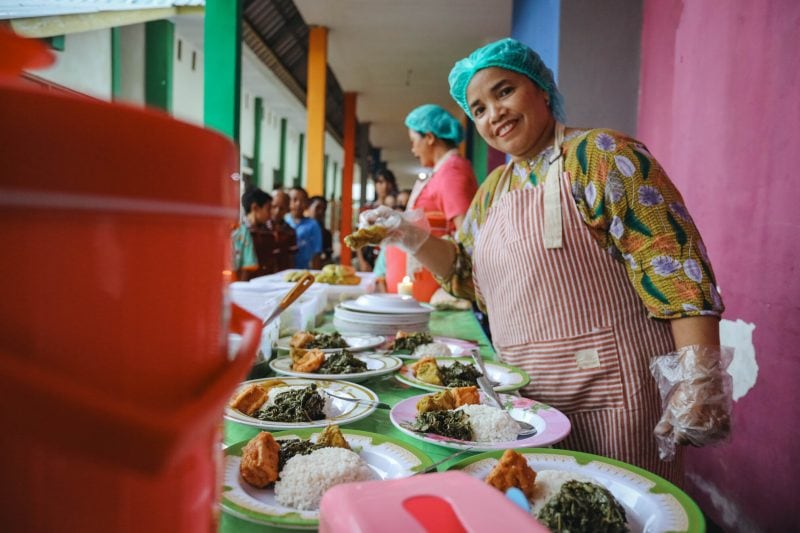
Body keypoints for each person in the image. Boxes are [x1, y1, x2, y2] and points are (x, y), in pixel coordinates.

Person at [361, 38, 730, 484]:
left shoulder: (601, 155)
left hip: (616, 396)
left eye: (503, 91)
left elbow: (674, 264)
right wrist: (412, 235)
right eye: (478, 109)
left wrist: (698, 378)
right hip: (528, 403)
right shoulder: (494, 189)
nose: (494, 113)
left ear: (541, 88)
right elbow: (465, 278)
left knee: (622, 507)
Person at [231, 186, 272, 281]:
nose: (270, 214)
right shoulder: (239, 233)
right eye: (268, 209)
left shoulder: (268, 231)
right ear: (255, 208)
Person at [285, 186, 322, 270]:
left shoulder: (313, 225)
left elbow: (316, 254)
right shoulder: (283, 222)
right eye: (294, 200)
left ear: (307, 203)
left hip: (304, 271)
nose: (298, 204)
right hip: (283, 272)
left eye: (302, 200)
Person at [266, 189, 298, 272]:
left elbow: (291, 259)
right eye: (274, 207)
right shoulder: (261, 229)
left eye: (282, 208)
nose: (277, 211)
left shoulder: (290, 232)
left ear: (287, 209)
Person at [307, 195, 334, 265]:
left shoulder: (326, 234)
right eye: (317, 208)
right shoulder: (298, 229)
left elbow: (327, 256)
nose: (321, 212)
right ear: (308, 207)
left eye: (324, 209)